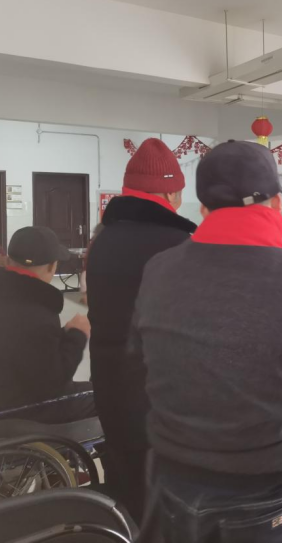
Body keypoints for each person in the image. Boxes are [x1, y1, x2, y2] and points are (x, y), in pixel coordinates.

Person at [135, 140, 282, 543]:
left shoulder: (158, 271)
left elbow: (142, 363)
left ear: (204, 209)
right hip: (265, 487)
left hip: (173, 479)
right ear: (276, 203)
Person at [87, 138, 197, 523]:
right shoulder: (181, 246)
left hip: (110, 384)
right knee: (164, 500)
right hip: (161, 397)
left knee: (126, 480)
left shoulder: (101, 242)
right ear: (171, 193)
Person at [0, 226, 94, 423]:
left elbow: (20, 346)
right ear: (52, 267)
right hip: (10, 411)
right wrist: (77, 336)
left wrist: (65, 333)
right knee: (107, 395)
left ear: (8, 261)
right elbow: (53, 384)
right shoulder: (36, 309)